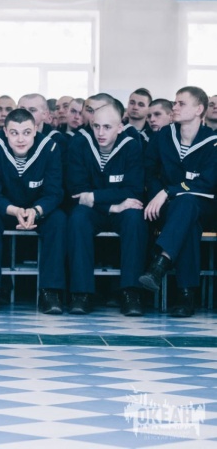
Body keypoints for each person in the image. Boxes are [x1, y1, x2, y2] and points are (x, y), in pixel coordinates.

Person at [0, 108, 66, 314]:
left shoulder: (50, 147)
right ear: (5, 132)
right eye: (14, 133)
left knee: (59, 220)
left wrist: (36, 210)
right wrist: (14, 210)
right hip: (4, 209)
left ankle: (50, 292)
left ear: (35, 130)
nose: (20, 139)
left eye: (26, 132)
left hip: (37, 210)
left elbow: (54, 192)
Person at [139, 86, 217, 317]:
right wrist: (158, 194)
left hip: (204, 206)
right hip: (167, 208)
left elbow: (207, 182)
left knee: (187, 203)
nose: (175, 107)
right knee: (187, 222)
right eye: (175, 103)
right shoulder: (164, 135)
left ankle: (161, 261)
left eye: (181, 103)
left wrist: (169, 191)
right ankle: (185, 295)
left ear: (199, 109)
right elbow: (150, 171)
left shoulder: (213, 142)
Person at [65, 100, 146, 316]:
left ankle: (130, 293)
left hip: (117, 208)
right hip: (96, 211)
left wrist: (94, 196)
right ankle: (81, 294)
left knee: (135, 218)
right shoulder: (79, 143)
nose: (100, 133)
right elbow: (77, 191)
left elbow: (134, 189)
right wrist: (112, 206)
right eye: (97, 126)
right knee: (78, 218)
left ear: (119, 127)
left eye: (107, 127)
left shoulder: (131, 145)